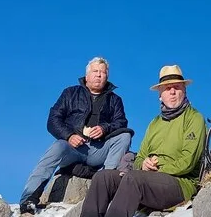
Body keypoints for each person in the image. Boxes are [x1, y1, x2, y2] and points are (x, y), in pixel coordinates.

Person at [81, 65, 206, 217]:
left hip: (180, 184)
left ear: (184, 90)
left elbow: (188, 162)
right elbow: (140, 157)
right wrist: (143, 164)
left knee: (133, 178)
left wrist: (156, 168)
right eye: (167, 88)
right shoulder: (154, 123)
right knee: (103, 178)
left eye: (177, 87)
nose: (172, 92)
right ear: (160, 95)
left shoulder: (194, 118)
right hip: (148, 179)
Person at [19, 57, 133, 215]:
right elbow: (53, 120)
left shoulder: (115, 100)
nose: (99, 75)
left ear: (107, 76)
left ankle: (106, 186)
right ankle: (29, 199)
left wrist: (104, 128)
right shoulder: (70, 93)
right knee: (58, 146)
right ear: (87, 76)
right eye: (95, 71)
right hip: (72, 148)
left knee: (125, 136)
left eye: (103, 72)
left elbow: (121, 122)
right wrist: (69, 135)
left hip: (98, 150)